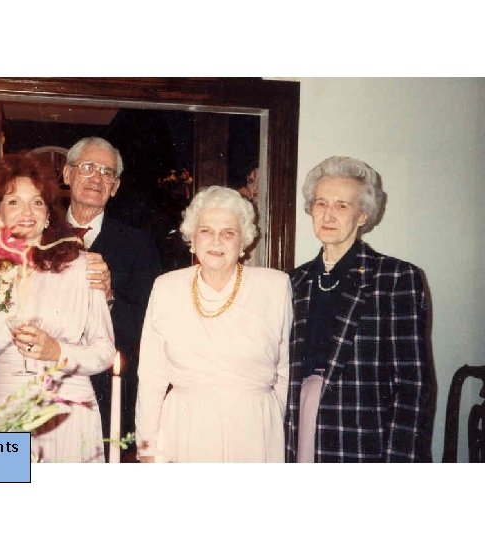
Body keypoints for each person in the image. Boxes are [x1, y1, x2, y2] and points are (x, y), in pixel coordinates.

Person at [285, 156, 430, 462]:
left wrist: (398, 460)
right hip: (301, 427)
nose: (328, 214)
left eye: (342, 205)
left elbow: (412, 384)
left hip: (364, 434)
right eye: (321, 203)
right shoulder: (295, 281)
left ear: (363, 215)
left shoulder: (396, 277)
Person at [0, 154, 115, 463]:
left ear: (48, 214)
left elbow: (104, 352)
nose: (27, 212)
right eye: (14, 202)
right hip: (3, 407)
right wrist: (2, 325)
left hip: (66, 408)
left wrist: (57, 352)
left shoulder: (82, 266)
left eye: (36, 202)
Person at [136, 185, 292, 462]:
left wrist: (267, 421)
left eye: (228, 233)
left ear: (243, 242)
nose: (216, 241)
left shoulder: (275, 286)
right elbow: (151, 376)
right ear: (192, 239)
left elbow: (284, 370)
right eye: (206, 231)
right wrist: (147, 446)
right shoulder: (167, 287)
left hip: (253, 430)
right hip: (185, 428)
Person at [62, 137, 160, 456]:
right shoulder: (39, 232)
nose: (96, 178)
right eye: (88, 167)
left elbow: (150, 328)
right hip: (48, 388)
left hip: (108, 395)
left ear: (115, 187)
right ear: (67, 174)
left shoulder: (138, 245)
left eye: (107, 173)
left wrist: (110, 297)